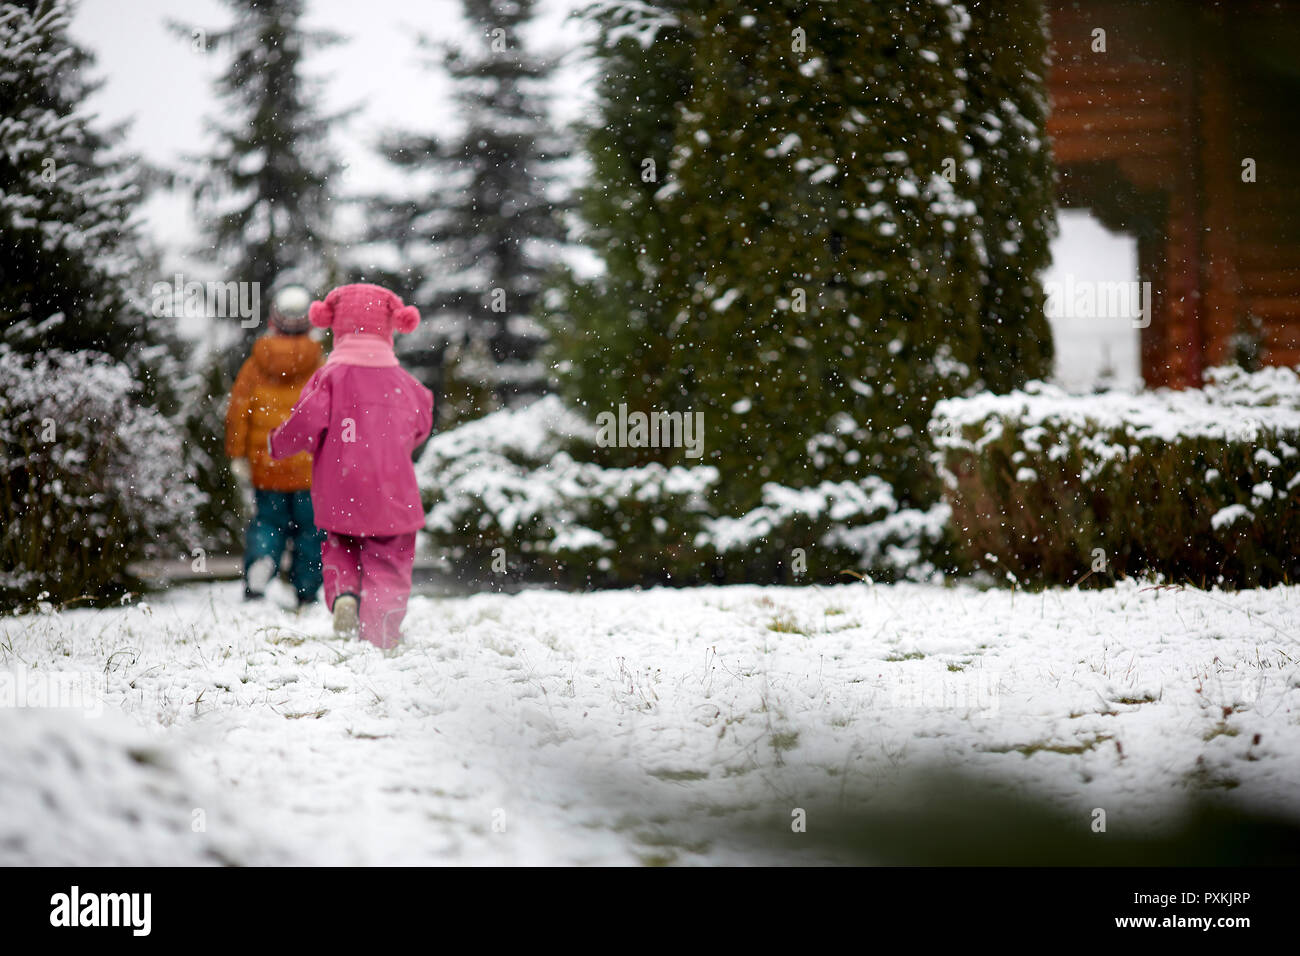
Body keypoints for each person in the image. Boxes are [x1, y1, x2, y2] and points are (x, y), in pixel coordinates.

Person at [269, 283, 434, 649]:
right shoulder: (405, 384)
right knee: (389, 556)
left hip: (339, 488)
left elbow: (304, 423)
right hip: (393, 491)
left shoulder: (329, 376)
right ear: (389, 327)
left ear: (336, 325)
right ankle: (380, 630)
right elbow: (422, 422)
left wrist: (278, 444)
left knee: (340, 544)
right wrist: (395, 444)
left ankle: (344, 595)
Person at [224, 283, 326, 606]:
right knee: (311, 530)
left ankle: (261, 563)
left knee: (269, 521)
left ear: (273, 321)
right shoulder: (320, 363)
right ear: (308, 324)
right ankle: (307, 589)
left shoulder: (255, 365)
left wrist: (237, 454)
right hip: (310, 467)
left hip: (267, 462)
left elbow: (238, 412)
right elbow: (332, 412)